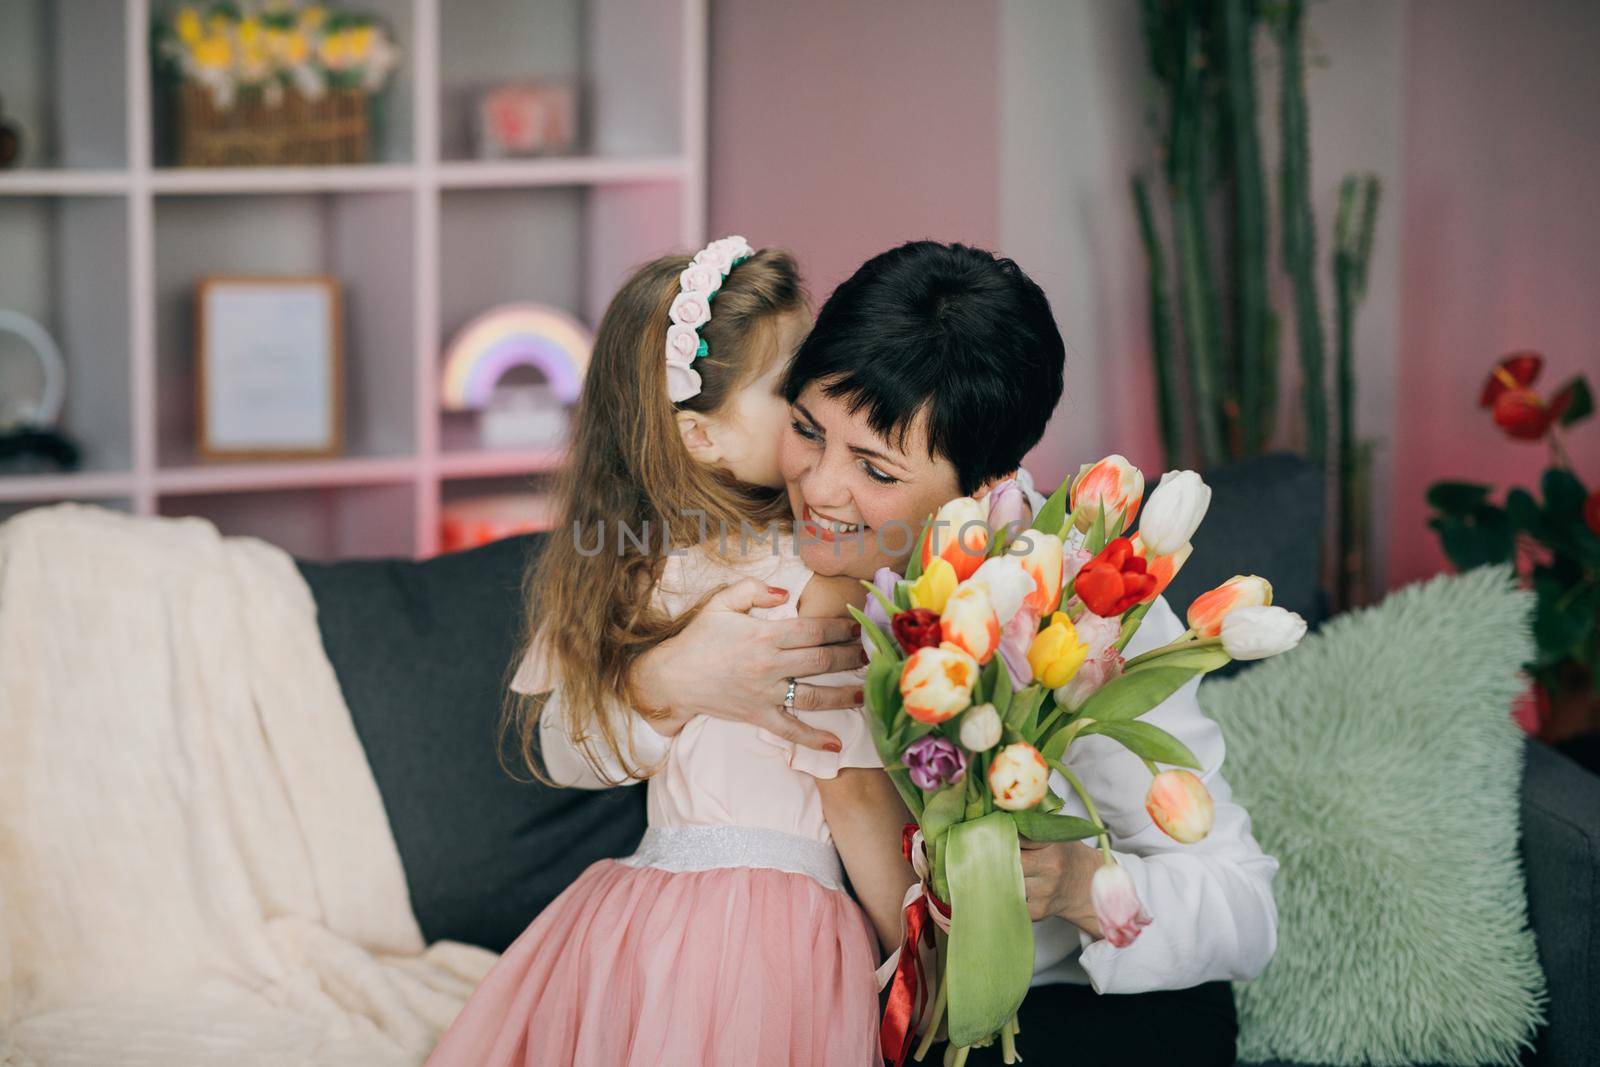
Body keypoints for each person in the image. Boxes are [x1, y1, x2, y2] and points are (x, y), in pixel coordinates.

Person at [544, 240, 1276, 1065]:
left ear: (984, 485)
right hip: (885, 1004)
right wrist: (664, 678)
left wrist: (1078, 883)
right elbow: (567, 726)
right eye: (807, 432)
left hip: (1079, 1014)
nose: (820, 489)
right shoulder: (758, 548)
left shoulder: (1082, 606)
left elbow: (1246, 908)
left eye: (873, 468)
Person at [425, 239, 916, 1067]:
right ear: (701, 436)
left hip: (649, 920)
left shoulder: (797, 557)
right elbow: (565, 745)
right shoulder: (762, 573)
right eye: (791, 389)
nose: (823, 398)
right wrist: (924, 959)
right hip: (766, 933)